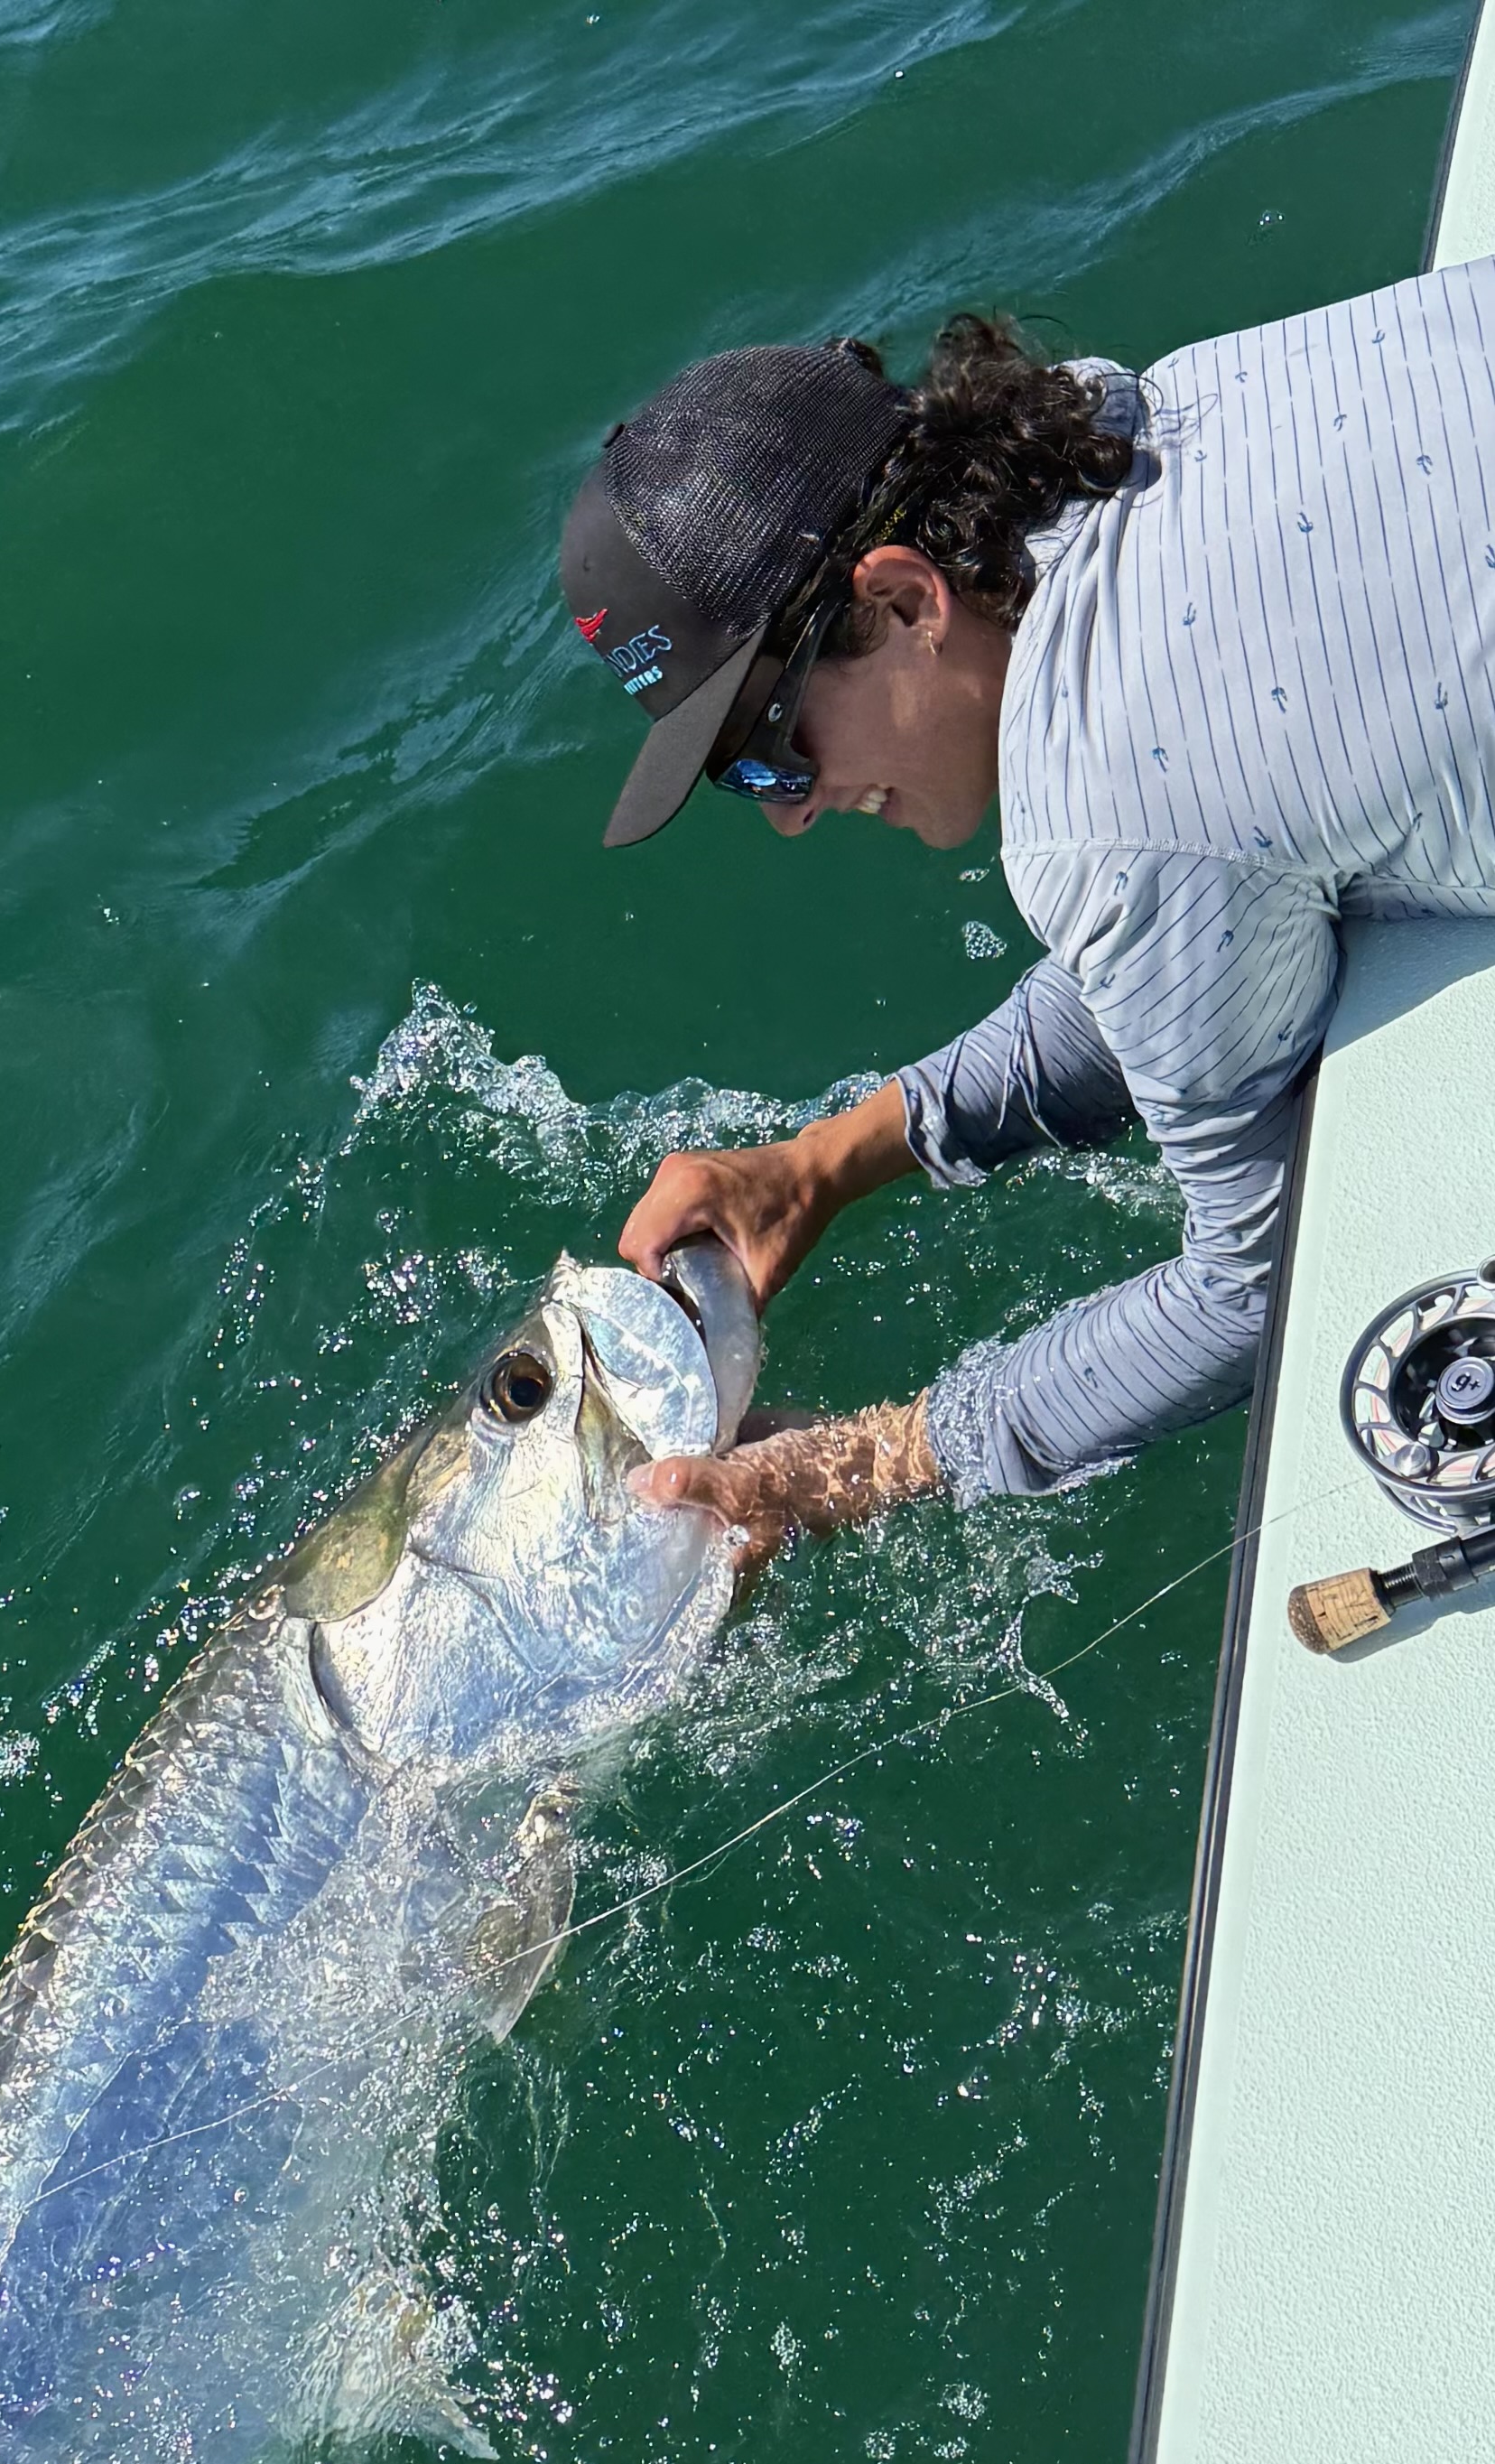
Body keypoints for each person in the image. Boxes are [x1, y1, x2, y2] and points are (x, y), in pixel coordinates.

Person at [558, 274, 1495, 1559]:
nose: (788, 811)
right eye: (741, 785)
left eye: (771, 752)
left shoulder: (1100, 814)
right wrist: (831, 1161)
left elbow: (1267, 1278)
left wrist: (881, 1455)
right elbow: (1194, 915)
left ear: (901, 601)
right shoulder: (1148, 419)